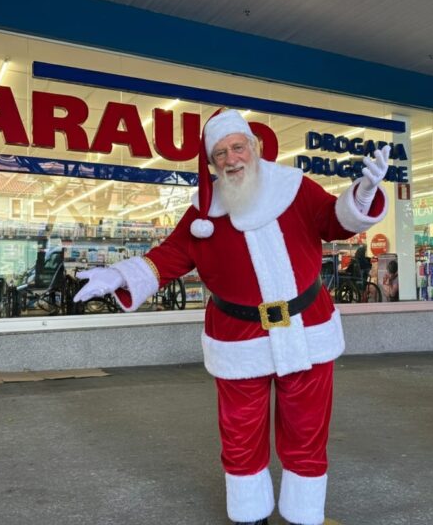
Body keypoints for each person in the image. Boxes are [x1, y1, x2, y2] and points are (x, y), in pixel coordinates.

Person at [73, 109, 390, 525]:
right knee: (241, 433)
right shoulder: (202, 212)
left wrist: (363, 195)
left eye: (237, 147)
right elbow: (169, 256)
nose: (231, 159)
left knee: (307, 430)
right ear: (211, 163)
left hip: (306, 329)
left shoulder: (295, 187)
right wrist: (118, 274)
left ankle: (303, 514)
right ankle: (249, 515)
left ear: (253, 147)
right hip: (239, 338)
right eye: (220, 153)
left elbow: (334, 222)